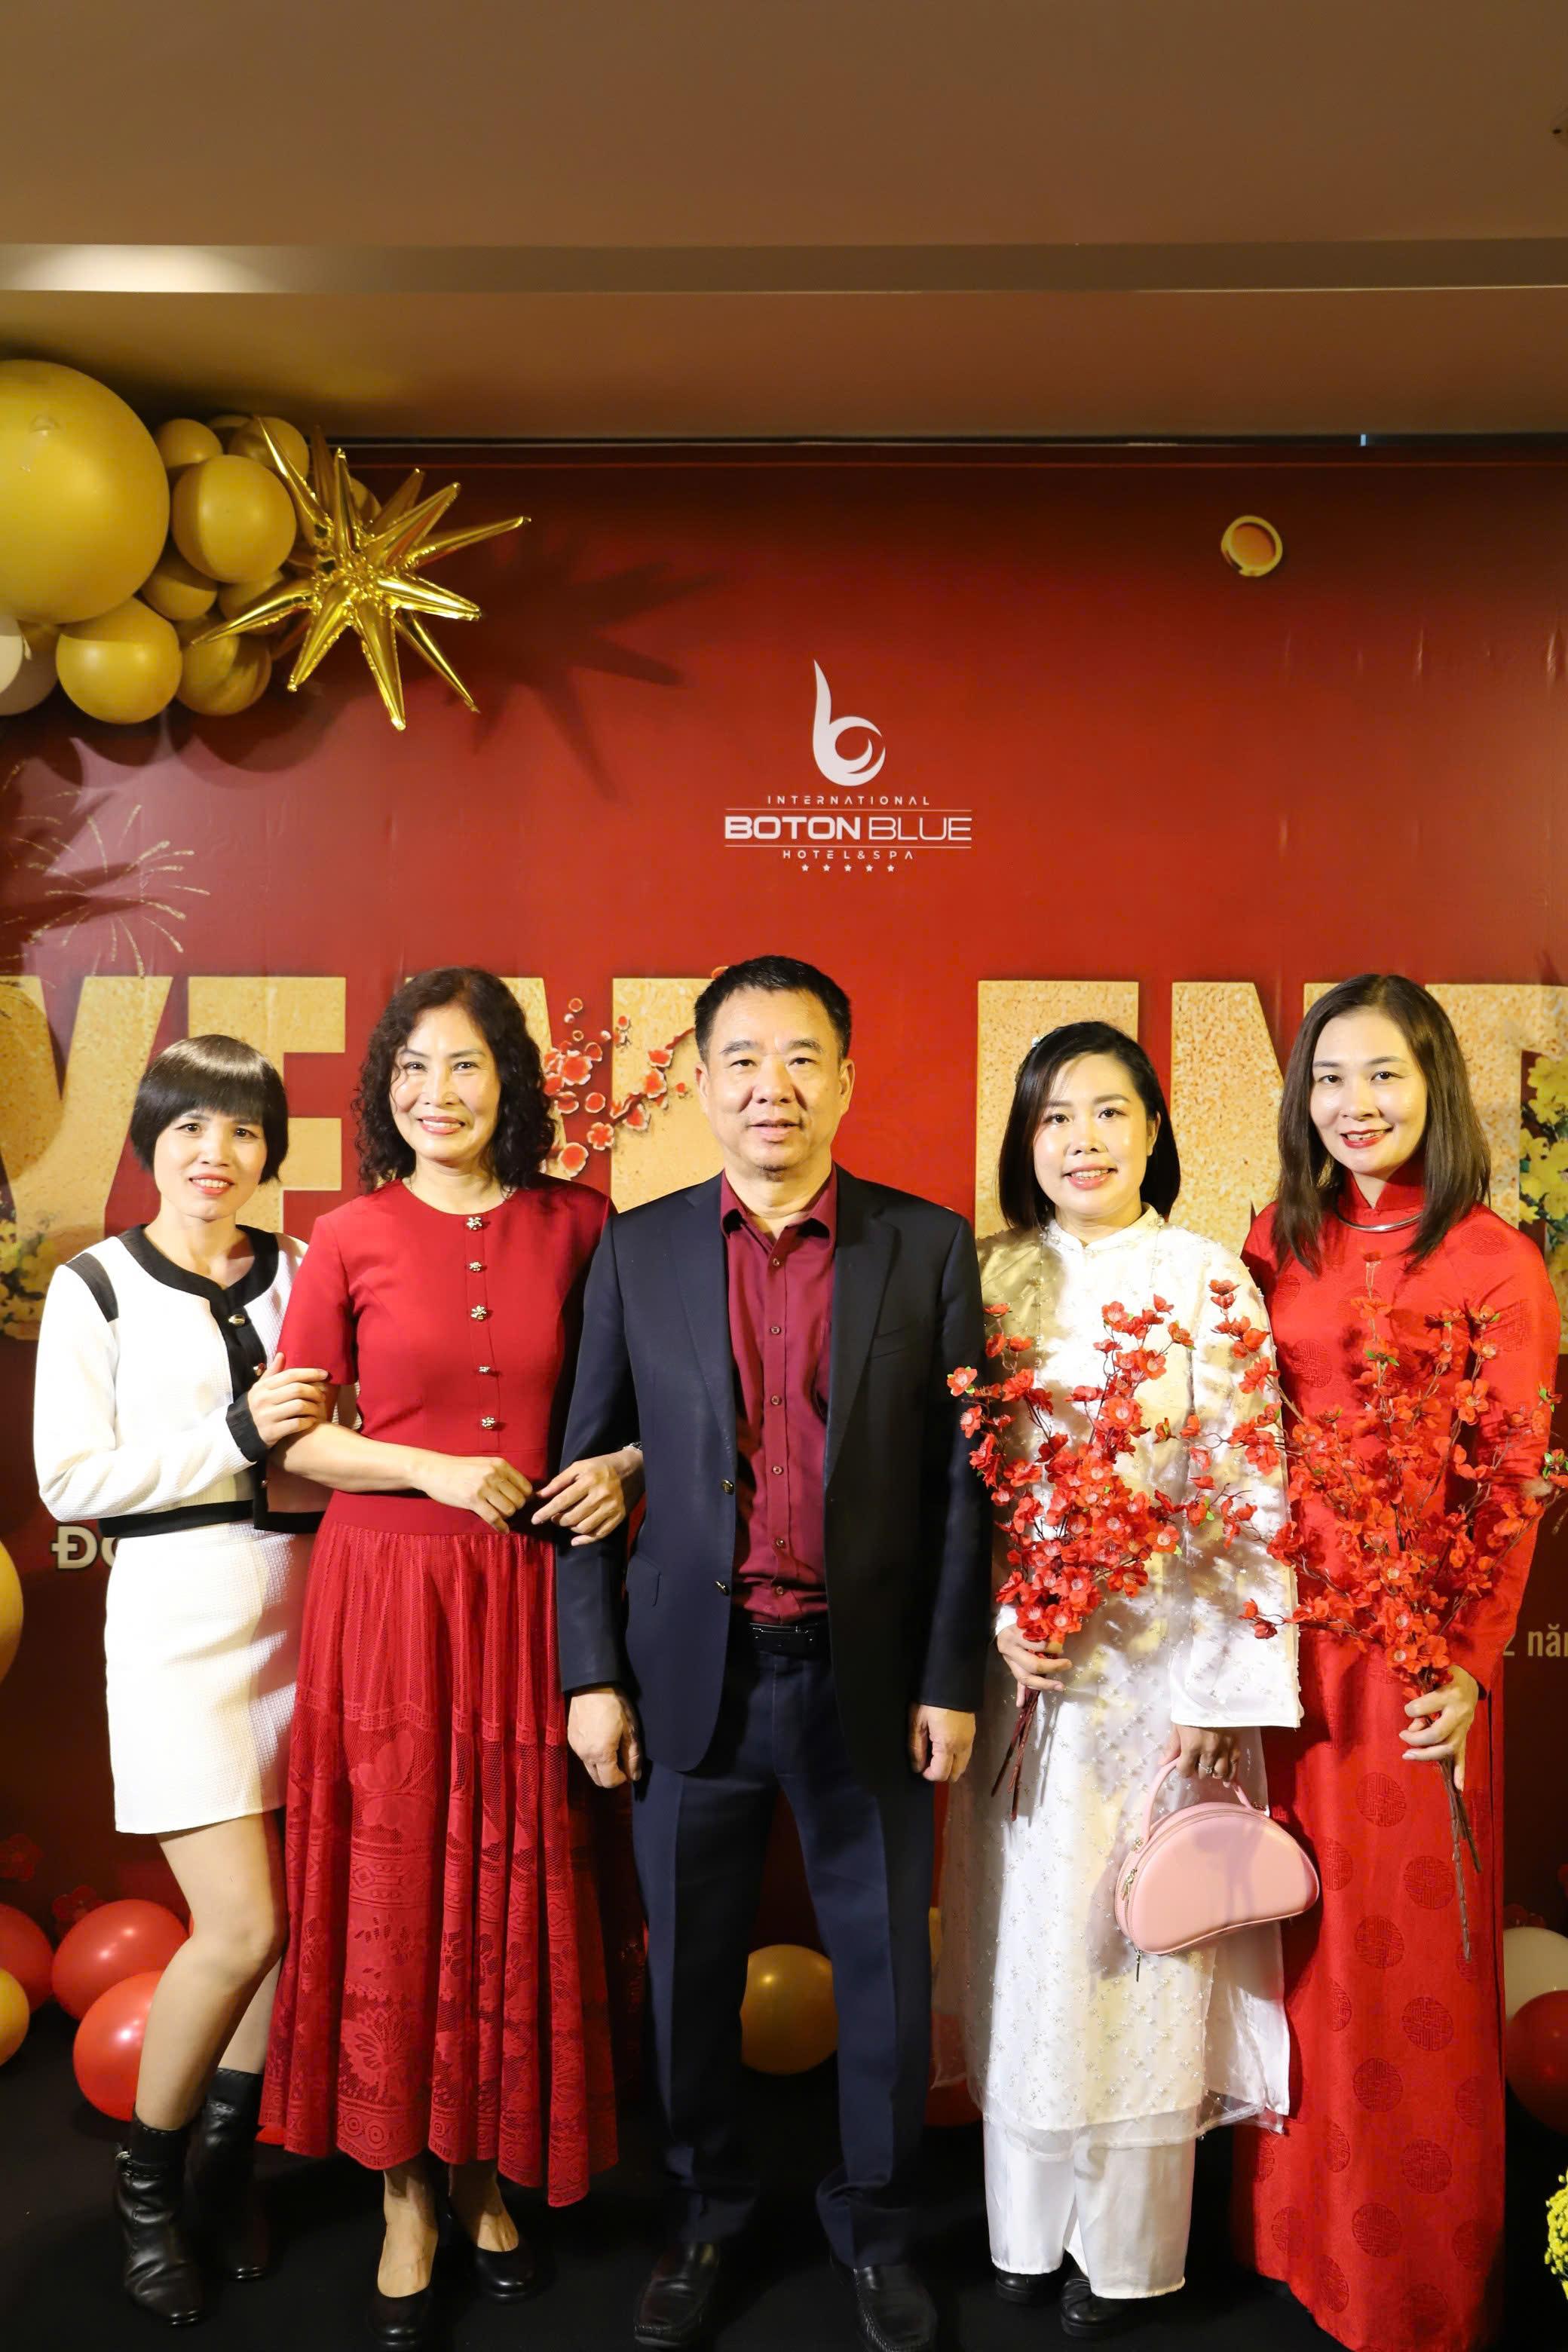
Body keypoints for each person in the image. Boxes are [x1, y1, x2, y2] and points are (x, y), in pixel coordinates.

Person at [556, 952, 991, 2352]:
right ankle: (703, 2220)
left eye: (802, 1057)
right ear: (699, 1081)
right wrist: (591, 1672)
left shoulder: (925, 1247)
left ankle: (879, 2230)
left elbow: (964, 1490)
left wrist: (949, 1678)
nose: (772, 1087)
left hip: (867, 1680)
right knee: (687, 1977)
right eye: (742, 1059)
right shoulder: (639, 1250)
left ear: (847, 1080)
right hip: (695, 1672)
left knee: (886, 1982)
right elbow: (586, 1473)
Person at [259, 966, 641, 2349]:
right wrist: (430, 1468)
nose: (438, 1094)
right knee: (399, 1883)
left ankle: (487, 2172)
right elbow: (296, 1434)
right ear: (384, 1091)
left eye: (466, 1066)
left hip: (533, 1595)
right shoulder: (346, 1233)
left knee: (509, 1880)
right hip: (388, 1599)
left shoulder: (581, 1224)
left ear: (510, 1083)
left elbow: (648, 1400)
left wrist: (626, 1466)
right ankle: (404, 2191)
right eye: (412, 1070)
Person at [935, 1020, 1301, 2341]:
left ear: (1154, 1128)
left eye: (1108, 1112)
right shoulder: (989, 1277)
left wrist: (1218, 1688)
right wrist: (993, 1622)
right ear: (1023, 1141)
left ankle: (1130, 2254)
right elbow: (952, 1491)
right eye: (1054, 1117)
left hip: (1159, 1673)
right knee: (1028, 1945)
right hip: (1025, 1672)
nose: (1081, 1141)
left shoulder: (1204, 1277)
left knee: (1139, 1945)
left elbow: (1248, 1483)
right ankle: (1024, 2236)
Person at [1230, 974, 1559, 2352]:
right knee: (1295, 1939)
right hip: (1285, 1648)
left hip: (1420, 1652)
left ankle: (1415, 2284)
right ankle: (1294, 2239)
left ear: (1436, 1087)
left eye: (1384, 1076)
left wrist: (1471, 1662)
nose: (1354, 1105)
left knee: (1415, 1962)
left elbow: (1512, 1481)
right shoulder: (1275, 1239)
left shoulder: (1495, 1259)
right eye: (1329, 1079)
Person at [32, 1034, 329, 2326]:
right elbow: (71, 1480)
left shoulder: (303, 1267)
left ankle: (223, 2167)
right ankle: (146, 2191)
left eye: (245, 1130)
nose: (218, 1153)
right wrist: (228, 1437)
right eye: (192, 1127)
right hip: (177, 1628)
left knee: (286, 1926)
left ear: (272, 1152)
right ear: (150, 1139)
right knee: (242, 1924)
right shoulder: (95, 1285)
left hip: (314, 1613)